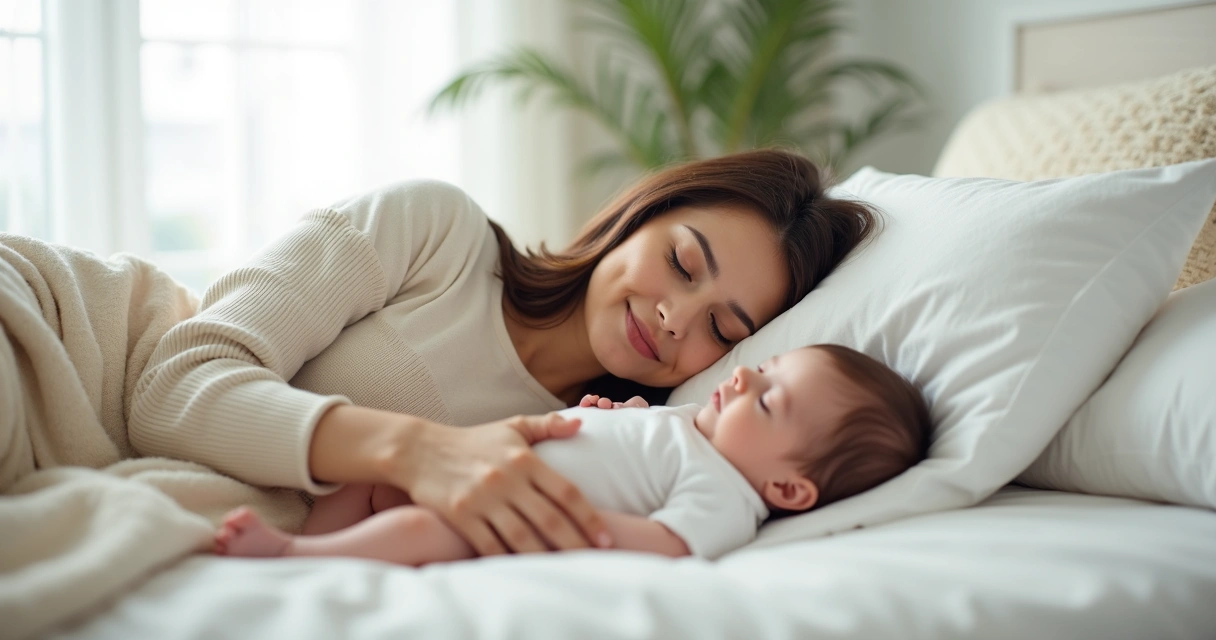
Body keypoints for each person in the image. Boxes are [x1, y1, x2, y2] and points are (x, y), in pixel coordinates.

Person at [128, 149, 879, 557]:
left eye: (723, 329)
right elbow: (171, 385)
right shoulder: (438, 232)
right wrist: (417, 452)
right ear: (641, 214)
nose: (676, 318)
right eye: (682, 263)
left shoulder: (604, 460)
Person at [212, 344, 932, 563]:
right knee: (366, 480)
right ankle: (319, 539)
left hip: (499, 518)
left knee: (422, 531)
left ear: (790, 489)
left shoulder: (726, 496)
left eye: (769, 400)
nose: (743, 377)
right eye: (765, 366)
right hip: (468, 463)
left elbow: (667, 543)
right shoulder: (696, 423)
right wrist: (609, 415)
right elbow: (631, 438)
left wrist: (571, 519)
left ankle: (295, 559)